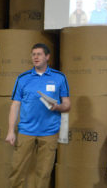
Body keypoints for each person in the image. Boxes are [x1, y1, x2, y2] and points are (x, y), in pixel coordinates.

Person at [6, 43, 71, 188]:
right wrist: (11, 131)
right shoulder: (22, 78)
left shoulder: (59, 77)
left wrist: (58, 106)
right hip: (26, 131)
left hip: (49, 132)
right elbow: (15, 105)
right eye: (33, 54)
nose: (36, 57)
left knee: (43, 174)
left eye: (39, 54)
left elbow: (67, 104)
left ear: (47, 57)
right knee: (17, 170)